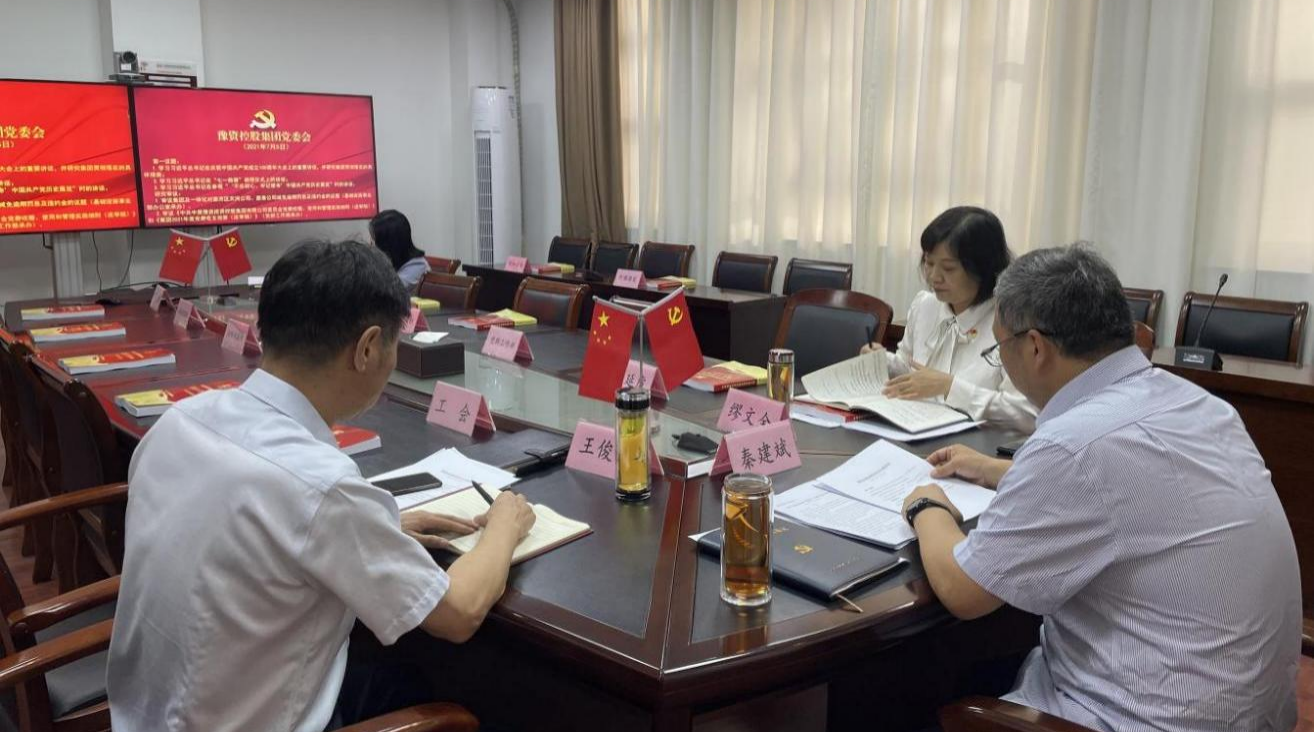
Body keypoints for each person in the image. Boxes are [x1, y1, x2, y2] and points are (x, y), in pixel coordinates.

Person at [107, 239, 536, 731]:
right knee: (443, 692)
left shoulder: (180, 421)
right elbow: (458, 613)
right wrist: (504, 525)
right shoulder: (321, 486)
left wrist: (379, 529)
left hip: (149, 717)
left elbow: (245, 535)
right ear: (368, 348)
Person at [901, 244, 1300, 731]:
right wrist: (994, 469)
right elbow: (1132, 490)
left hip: (1126, 716)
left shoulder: (1072, 445)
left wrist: (926, 507)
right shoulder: (1199, 405)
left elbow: (964, 592)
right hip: (1247, 714)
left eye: (998, 349)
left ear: (1034, 347)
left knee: (905, 700)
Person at [862, 206, 1036, 432]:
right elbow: (913, 370)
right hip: (913, 430)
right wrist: (884, 362)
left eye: (948, 268)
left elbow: (1026, 415)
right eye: (928, 262)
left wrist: (951, 388)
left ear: (983, 268)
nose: (934, 277)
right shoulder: (925, 306)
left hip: (976, 445)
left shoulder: (1011, 322)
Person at [369, 209, 430, 292]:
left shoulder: (417, 266)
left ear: (388, 244)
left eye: (374, 240)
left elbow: (386, 292)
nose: (371, 246)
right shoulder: (394, 262)